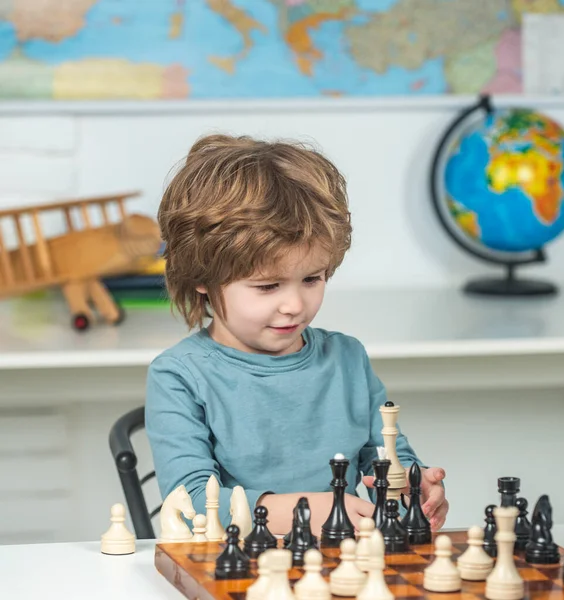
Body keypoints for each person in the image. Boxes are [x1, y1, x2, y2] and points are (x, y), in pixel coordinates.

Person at [145, 134, 448, 536]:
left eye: (312, 278)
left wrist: (412, 488)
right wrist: (307, 509)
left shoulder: (347, 358)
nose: (294, 305)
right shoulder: (179, 376)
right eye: (267, 286)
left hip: (336, 566)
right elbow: (190, 506)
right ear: (202, 277)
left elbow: (387, 464)